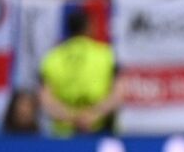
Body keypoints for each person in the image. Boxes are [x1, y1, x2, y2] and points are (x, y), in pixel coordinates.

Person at [39, 8, 122, 137]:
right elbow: (118, 93)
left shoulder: (52, 57)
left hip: (63, 135)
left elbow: (46, 100)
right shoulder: (106, 54)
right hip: (100, 131)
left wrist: (72, 117)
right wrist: (94, 114)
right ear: (89, 27)